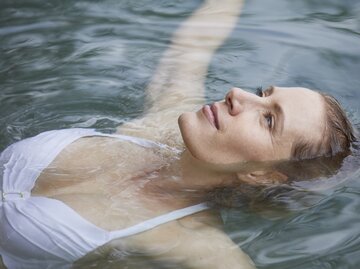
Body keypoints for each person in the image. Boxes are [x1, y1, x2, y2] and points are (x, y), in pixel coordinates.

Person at [0, 0, 356, 268]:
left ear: (262, 174)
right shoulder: (161, 125)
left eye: (268, 120)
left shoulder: (193, 240)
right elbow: (193, 46)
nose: (237, 94)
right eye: (263, 93)